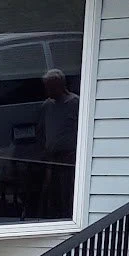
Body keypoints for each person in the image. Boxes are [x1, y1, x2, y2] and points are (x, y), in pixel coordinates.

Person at [39, 68, 79, 218]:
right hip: (51, 158)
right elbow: (41, 130)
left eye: (50, 87)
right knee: (50, 192)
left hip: (68, 157)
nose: (48, 90)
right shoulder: (47, 106)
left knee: (66, 190)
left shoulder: (75, 103)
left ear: (60, 85)